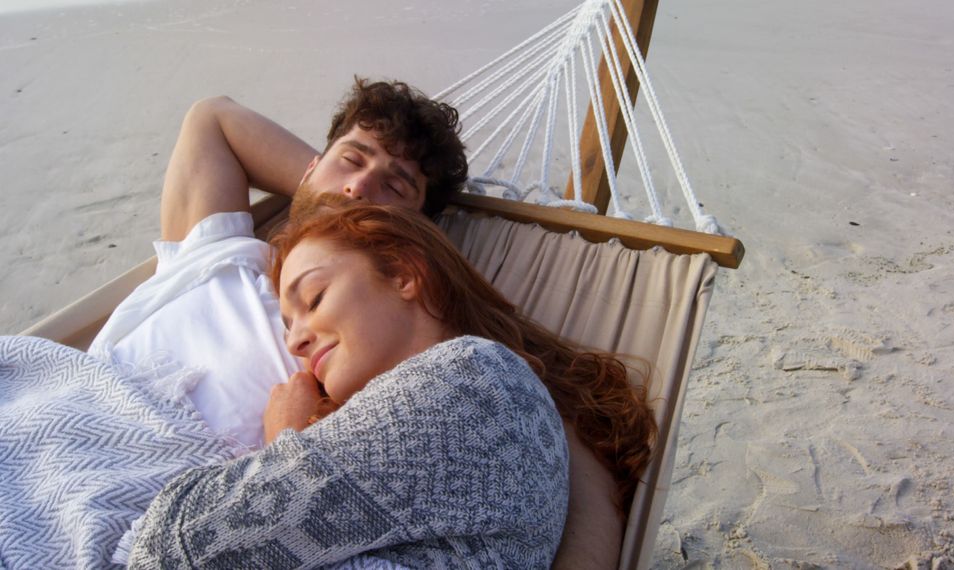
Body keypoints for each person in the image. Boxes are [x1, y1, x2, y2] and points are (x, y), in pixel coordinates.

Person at [89, 78, 641, 567]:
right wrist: (331, 205)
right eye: (350, 161)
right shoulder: (218, 257)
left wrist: (361, 227)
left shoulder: (392, 347)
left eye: (395, 187)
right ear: (310, 166)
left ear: (410, 246)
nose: (358, 187)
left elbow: (572, 462)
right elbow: (212, 117)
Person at [125, 203, 574, 568]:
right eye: (286, 327)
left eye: (315, 298)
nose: (295, 340)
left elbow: (170, 549)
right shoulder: (503, 389)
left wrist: (282, 443)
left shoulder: (466, 380)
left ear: (402, 274)